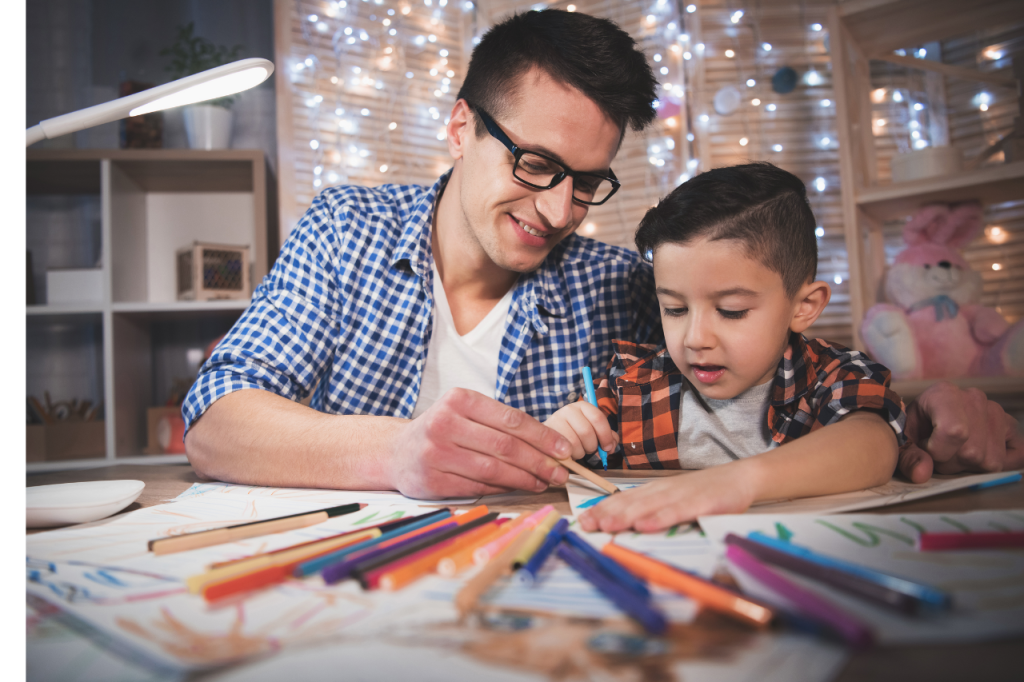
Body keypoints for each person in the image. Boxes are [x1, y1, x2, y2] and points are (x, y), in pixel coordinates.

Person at [182, 10, 1022, 500]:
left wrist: (932, 403)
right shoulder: (343, 231)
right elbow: (217, 421)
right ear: (461, 125)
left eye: (586, 182)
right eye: (537, 165)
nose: (557, 212)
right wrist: (398, 454)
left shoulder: (620, 285)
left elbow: (789, 378)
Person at [545, 164, 971, 533]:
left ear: (804, 307)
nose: (695, 338)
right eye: (674, 308)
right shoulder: (631, 386)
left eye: (731, 311)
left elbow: (873, 445)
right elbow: (567, 455)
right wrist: (564, 434)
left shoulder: (830, 375)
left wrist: (732, 483)